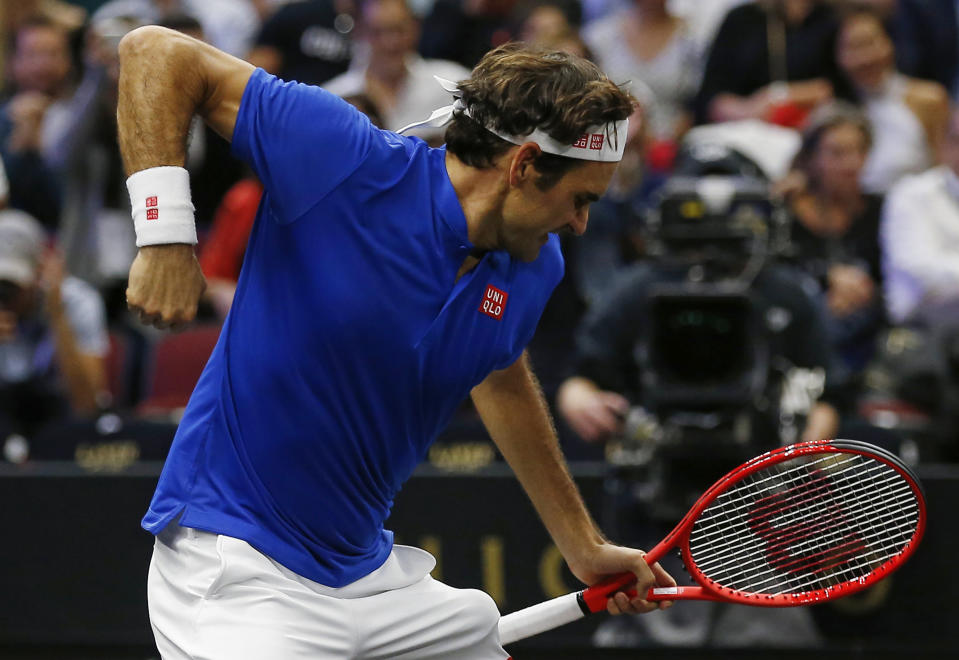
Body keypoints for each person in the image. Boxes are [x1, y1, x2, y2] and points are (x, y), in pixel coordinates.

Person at [116, 26, 675, 659]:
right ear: (522, 166)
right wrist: (164, 234)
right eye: (579, 200)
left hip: (372, 582)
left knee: (469, 625)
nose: (581, 223)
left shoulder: (534, 264)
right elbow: (155, 53)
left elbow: (500, 371)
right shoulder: (343, 160)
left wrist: (581, 543)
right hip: (238, 570)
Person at [783, 102, 886, 373]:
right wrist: (826, 278)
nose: (852, 164)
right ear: (811, 157)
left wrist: (864, 290)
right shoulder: (785, 212)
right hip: (800, 331)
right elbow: (775, 275)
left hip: (867, 335)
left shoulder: (881, 210)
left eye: (859, 151)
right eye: (837, 153)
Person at [0, 209, 107, 445]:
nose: (6, 295)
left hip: (63, 427)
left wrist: (57, 316)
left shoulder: (76, 302)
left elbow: (87, 404)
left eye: (12, 284)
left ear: (39, 272)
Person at [834, 4, 949, 193]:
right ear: (838, 56)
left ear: (889, 44)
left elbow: (947, 172)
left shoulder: (929, 99)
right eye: (853, 48)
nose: (864, 58)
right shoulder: (836, 113)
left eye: (870, 43)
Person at [322, 0, 471, 143]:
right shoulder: (334, 99)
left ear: (415, 28)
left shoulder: (454, 85)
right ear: (359, 33)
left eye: (399, 30)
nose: (391, 43)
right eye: (378, 32)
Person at [882, 107, 959, 326]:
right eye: (958, 140)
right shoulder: (911, 194)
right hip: (922, 331)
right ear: (944, 145)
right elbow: (922, 272)